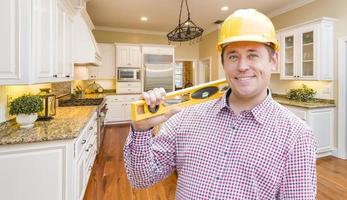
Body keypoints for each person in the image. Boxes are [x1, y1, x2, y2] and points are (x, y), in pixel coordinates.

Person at [124, 9, 316, 199]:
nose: (242, 66)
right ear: (223, 63)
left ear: (273, 60)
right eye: (233, 56)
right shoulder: (186, 116)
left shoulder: (296, 135)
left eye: (253, 55)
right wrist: (141, 129)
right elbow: (142, 178)